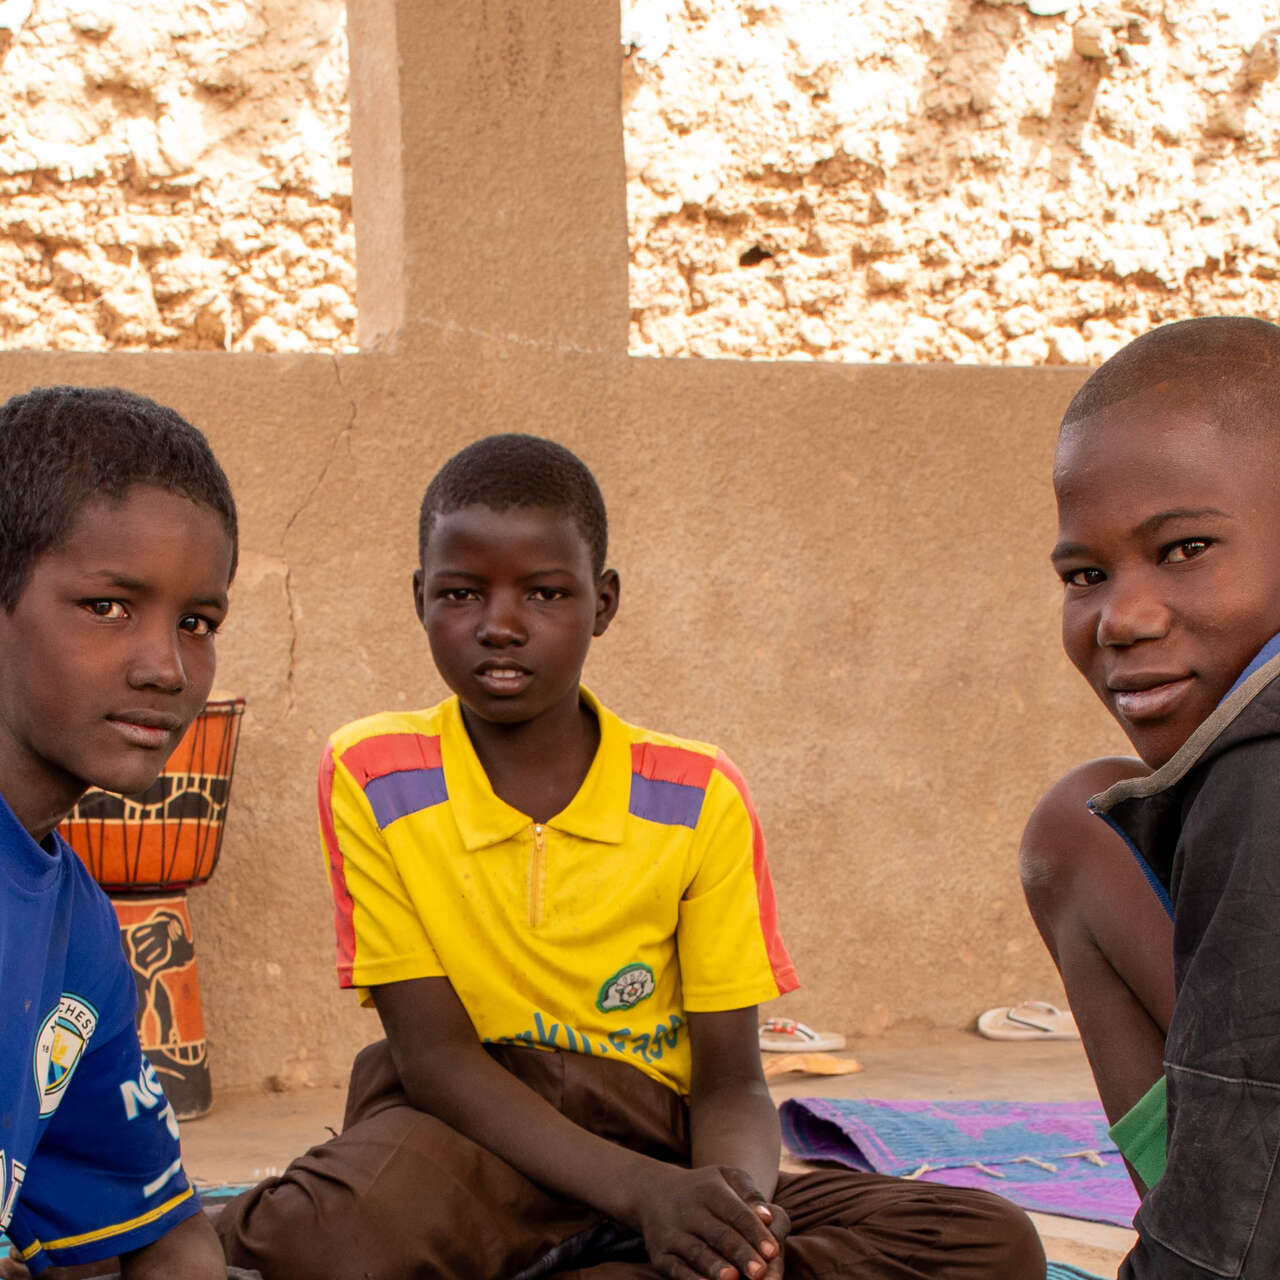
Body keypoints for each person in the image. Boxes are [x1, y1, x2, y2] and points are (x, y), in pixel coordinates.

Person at [219, 433, 1043, 1280]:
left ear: (602, 603)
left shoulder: (696, 793)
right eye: (462, 593)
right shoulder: (376, 770)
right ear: (420, 597)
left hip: (661, 1135)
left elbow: (730, 1085)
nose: (500, 626)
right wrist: (644, 1197)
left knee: (988, 1244)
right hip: (469, 1141)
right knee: (331, 1241)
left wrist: (734, 1224)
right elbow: (435, 1059)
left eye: (544, 593)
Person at [1019, 315, 1280, 1277]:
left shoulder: (1269, 772)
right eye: (1085, 575)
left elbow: (1257, 1139)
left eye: (1184, 550)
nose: (1120, 619)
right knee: (1083, 821)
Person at [0, 386, 238, 1277]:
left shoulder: (80, 932)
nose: (166, 668)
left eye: (196, 623)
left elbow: (164, 1236)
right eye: (108, 607)